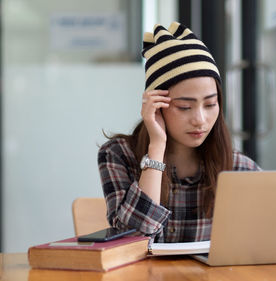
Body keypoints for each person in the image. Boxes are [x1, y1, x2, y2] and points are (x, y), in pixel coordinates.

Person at [98, 22, 261, 243]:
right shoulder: (118, 155)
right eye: (185, 107)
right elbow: (134, 237)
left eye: (210, 104)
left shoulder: (239, 168)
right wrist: (156, 146)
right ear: (156, 105)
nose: (200, 120)